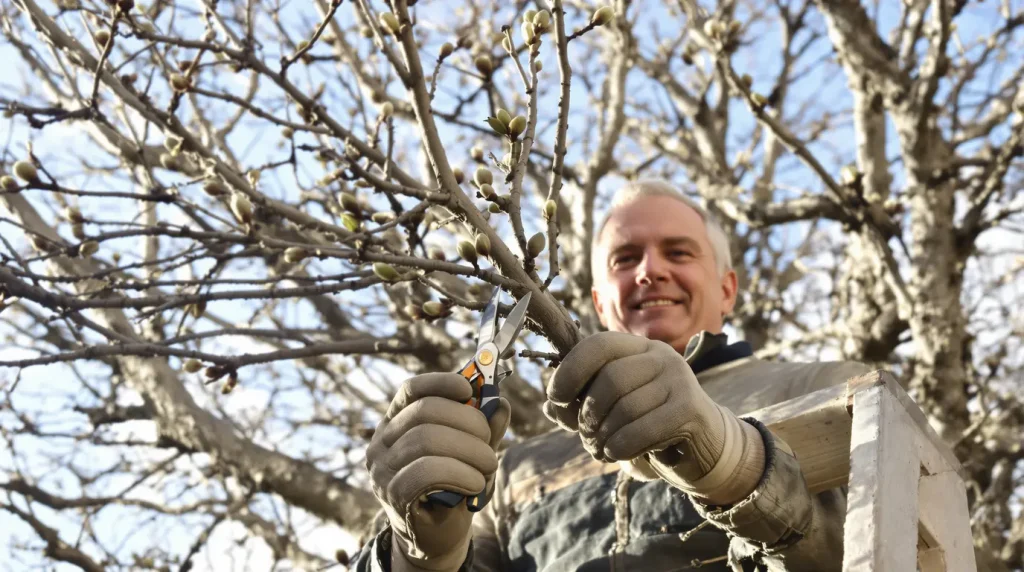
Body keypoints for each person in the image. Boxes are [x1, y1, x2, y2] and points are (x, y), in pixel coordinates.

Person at [356, 180, 872, 571]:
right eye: (626, 259)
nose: (650, 271)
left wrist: (737, 463)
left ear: (728, 289)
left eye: (678, 252)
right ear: (600, 302)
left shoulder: (833, 388)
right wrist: (416, 554)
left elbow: (898, 547)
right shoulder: (514, 471)